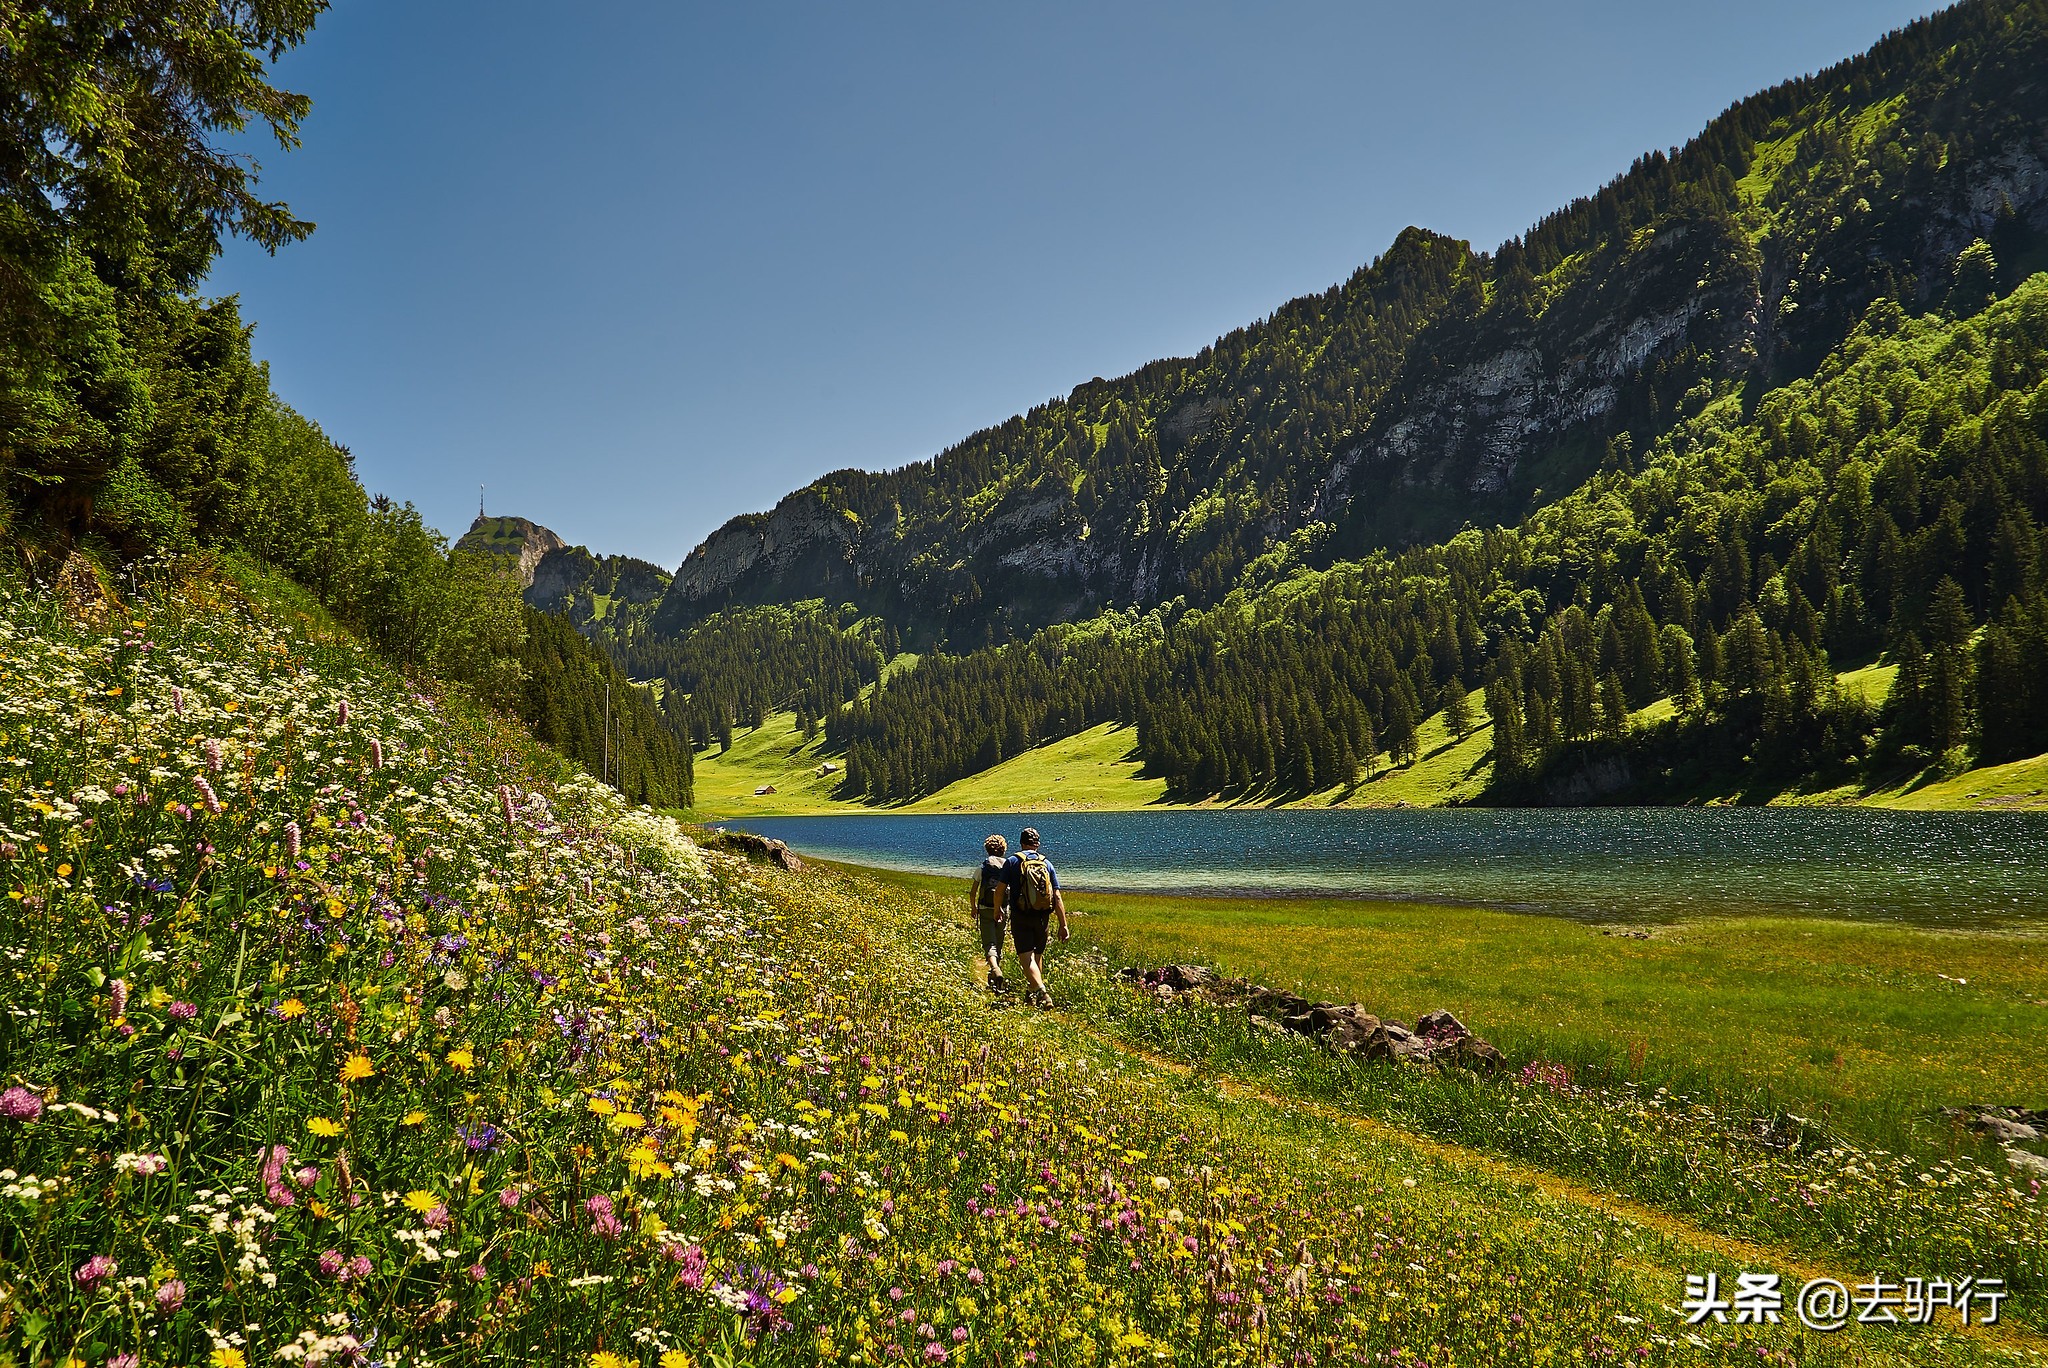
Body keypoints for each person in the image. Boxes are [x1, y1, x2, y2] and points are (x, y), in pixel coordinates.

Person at [1003, 826, 1068, 1008]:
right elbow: (1057, 896)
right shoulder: (1047, 863)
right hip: (1043, 917)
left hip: (1021, 915)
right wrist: (1063, 925)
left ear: (1021, 843)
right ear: (1037, 844)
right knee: (1037, 956)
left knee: (1026, 957)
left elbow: (1000, 889)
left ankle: (1042, 992)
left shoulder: (1013, 861)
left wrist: (997, 910)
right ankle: (1032, 994)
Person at [969, 833, 1011, 993]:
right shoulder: (1008, 866)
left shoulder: (983, 867)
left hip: (985, 909)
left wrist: (974, 907)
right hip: (1003, 909)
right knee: (998, 943)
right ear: (1003, 849)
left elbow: (973, 892)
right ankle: (995, 977)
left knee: (989, 943)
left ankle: (994, 970)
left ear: (987, 850)